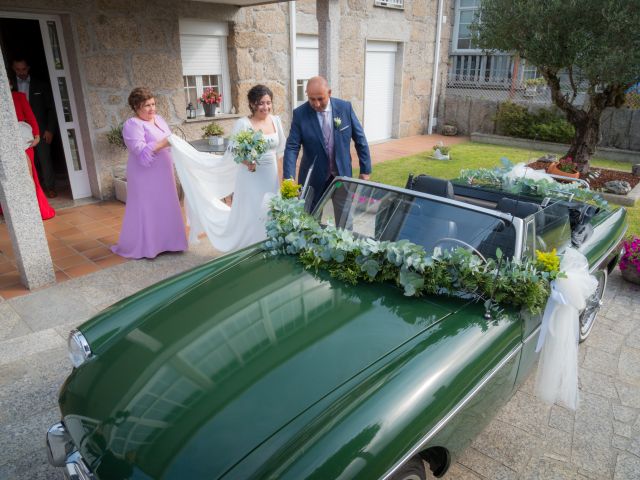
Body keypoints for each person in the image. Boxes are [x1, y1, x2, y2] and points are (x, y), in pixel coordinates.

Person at [170, 84, 285, 252]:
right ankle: (252, 245)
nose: (266, 107)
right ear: (252, 104)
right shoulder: (243, 124)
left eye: (268, 103)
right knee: (252, 210)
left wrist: (282, 179)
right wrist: (247, 162)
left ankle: (269, 241)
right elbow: (234, 152)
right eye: (261, 103)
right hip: (250, 177)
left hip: (270, 175)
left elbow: (280, 151)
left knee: (270, 208)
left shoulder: (276, 121)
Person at [111, 87, 187, 259]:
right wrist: (165, 142)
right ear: (137, 107)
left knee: (166, 204)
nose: (152, 108)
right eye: (147, 105)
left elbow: (168, 140)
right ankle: (149, 247)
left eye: (153, 104)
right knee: (147, 207)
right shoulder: (132, 124)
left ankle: (170, 243)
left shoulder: (158, 119)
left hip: (163, 172)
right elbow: (139, 150)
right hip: (144, 174)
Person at [283, 75, 372, 209]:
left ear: (329, 93)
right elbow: (292, 147)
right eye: (312, 99)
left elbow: (360, 138)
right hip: (312, 178)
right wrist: (289, 178)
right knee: (309, 220)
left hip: (341, 176)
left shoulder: (345, 108)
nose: (316, 104)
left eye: (320, 99)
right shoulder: (300, 114)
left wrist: (365, 169)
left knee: (344, 220)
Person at [8, 78, 56, 220]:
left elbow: (31, 116)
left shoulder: (19, 97)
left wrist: (36, 135)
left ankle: (36, 208)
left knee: (29, 175)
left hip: (23, 140)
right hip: (6, 144)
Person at [12, 58, 58, 198]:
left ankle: (50, 187)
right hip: (18, 131)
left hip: (41, 129)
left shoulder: (40, 85)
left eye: (24, 69)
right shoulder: (10, 86)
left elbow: (51, 109)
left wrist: (50, 129)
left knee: (45, 159)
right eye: (18, 70)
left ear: (28, 67)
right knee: (26, 161)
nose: (21, 72)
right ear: (13, 69)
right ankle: (30, 191)